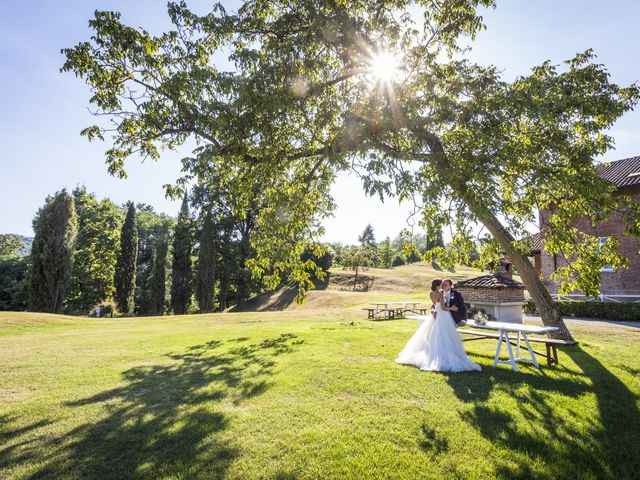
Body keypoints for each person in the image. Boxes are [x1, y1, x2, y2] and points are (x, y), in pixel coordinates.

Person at [395, 279, 481, 372]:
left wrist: (463, 319)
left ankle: (434, 352)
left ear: (450, 286)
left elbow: (461, 307)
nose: (443, 286)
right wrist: (450, 308)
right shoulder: (440, 293)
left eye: (445, 284)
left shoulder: (436, 293)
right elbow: (442, 308)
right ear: (438, 286)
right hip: (443, 316)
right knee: (442, 334)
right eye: (442, 284)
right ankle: (443, 354)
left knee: (437, 334)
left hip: (442, 316)